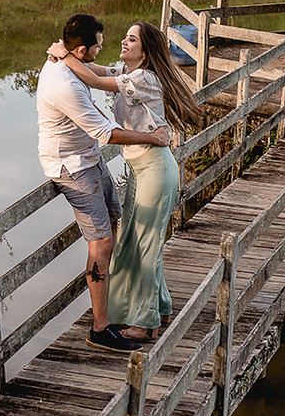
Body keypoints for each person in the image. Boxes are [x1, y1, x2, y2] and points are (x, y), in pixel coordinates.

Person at [49, 21, 202, 342]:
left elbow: (92, 79)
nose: (123, 41)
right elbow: (98, 68)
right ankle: (160, 308)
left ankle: (146, 324)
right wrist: (71, 56)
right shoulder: (130, 73)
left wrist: (63, 54)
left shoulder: (144, 77)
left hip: (154, 170)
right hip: (141, 170)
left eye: (131, 39)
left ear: (145, 51)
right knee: (136, 242)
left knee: (145, 246)